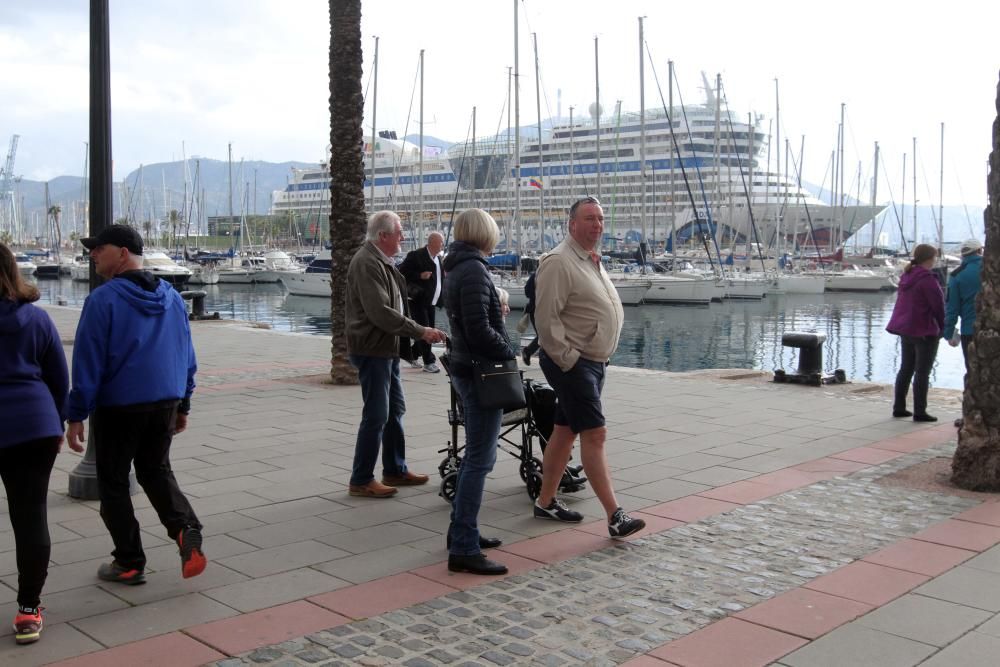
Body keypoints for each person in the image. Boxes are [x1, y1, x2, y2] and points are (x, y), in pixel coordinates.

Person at [66, 224, 205, 585]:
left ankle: (128, 561)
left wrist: (76, 412)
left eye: (99, 247)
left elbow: (88, 361)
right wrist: (184, 403)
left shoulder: (103, 300)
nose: (92, 253)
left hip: (119, 406)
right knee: (156, 470)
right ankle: (185, 531)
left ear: (123, 252)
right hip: (164, 402)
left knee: (112, 482)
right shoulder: (172, 297)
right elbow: (187, 355)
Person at [531, 196, 646, 539]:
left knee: (565, 431)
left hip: (594, 361)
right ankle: (615, 515)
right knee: (595, 434)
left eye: (600, 219)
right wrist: (569, 360)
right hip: (575, 363)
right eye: (589, 218)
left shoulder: (591, 259)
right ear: (572, 224)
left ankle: (545, 501)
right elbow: (545, 319)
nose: (597, 225)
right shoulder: (558, 262)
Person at [346, 211, 446, 498]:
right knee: (377, 414)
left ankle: (395, 469)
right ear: (383, 236)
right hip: (372, 348)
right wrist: (420, 331)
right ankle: (361, 478)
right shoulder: (367, 263)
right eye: (399, 232)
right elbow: (380, 312)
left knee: (394, 411)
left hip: (386, 348)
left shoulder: (381, 261)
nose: (403, 236)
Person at [0, 243, 69, 644]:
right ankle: (29, 610)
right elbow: (59, 381)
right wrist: (56, 425)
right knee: (30, 517)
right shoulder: (37, 320)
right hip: (33, 426)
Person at [441, 209, 513, 575]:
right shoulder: (472, 270)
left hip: (465, 367)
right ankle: (465, 547)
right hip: (479, 371)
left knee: (476, 457)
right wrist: (508, 351)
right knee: (480, 461)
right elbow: (478, 328)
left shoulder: (458, 266)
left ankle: (461, 533)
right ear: (485, 233)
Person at [886, 243, 945, 422]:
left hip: (907, 329)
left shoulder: (907, 276)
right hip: (924, 329)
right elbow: (938, 306)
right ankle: (920, 411)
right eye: (934, 257)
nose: (935, 261)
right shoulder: (927, 279)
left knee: (906, 368)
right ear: (929, 258)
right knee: (922, 372)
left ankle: (899, 407)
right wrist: (944, 327)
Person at [944, 238, 984, 428]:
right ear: (980, 250)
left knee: (972, 372)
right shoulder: (991, 267)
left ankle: (970, 416)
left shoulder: (957, 275)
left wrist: (949, 332)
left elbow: (952, 309)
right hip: (993, 330)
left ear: (963, 254)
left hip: (969, 331)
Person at [399, 231, 445, 373]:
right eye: (441, 242)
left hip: (432, 301)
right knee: (427, 329)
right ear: (433, 242)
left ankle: (409, 354)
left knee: (427, 329)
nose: (443, 245)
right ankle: (429, 362)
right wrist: (419, 276)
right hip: (417, 300)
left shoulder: (438, 258)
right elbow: (401, 272)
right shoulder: (416, 255)